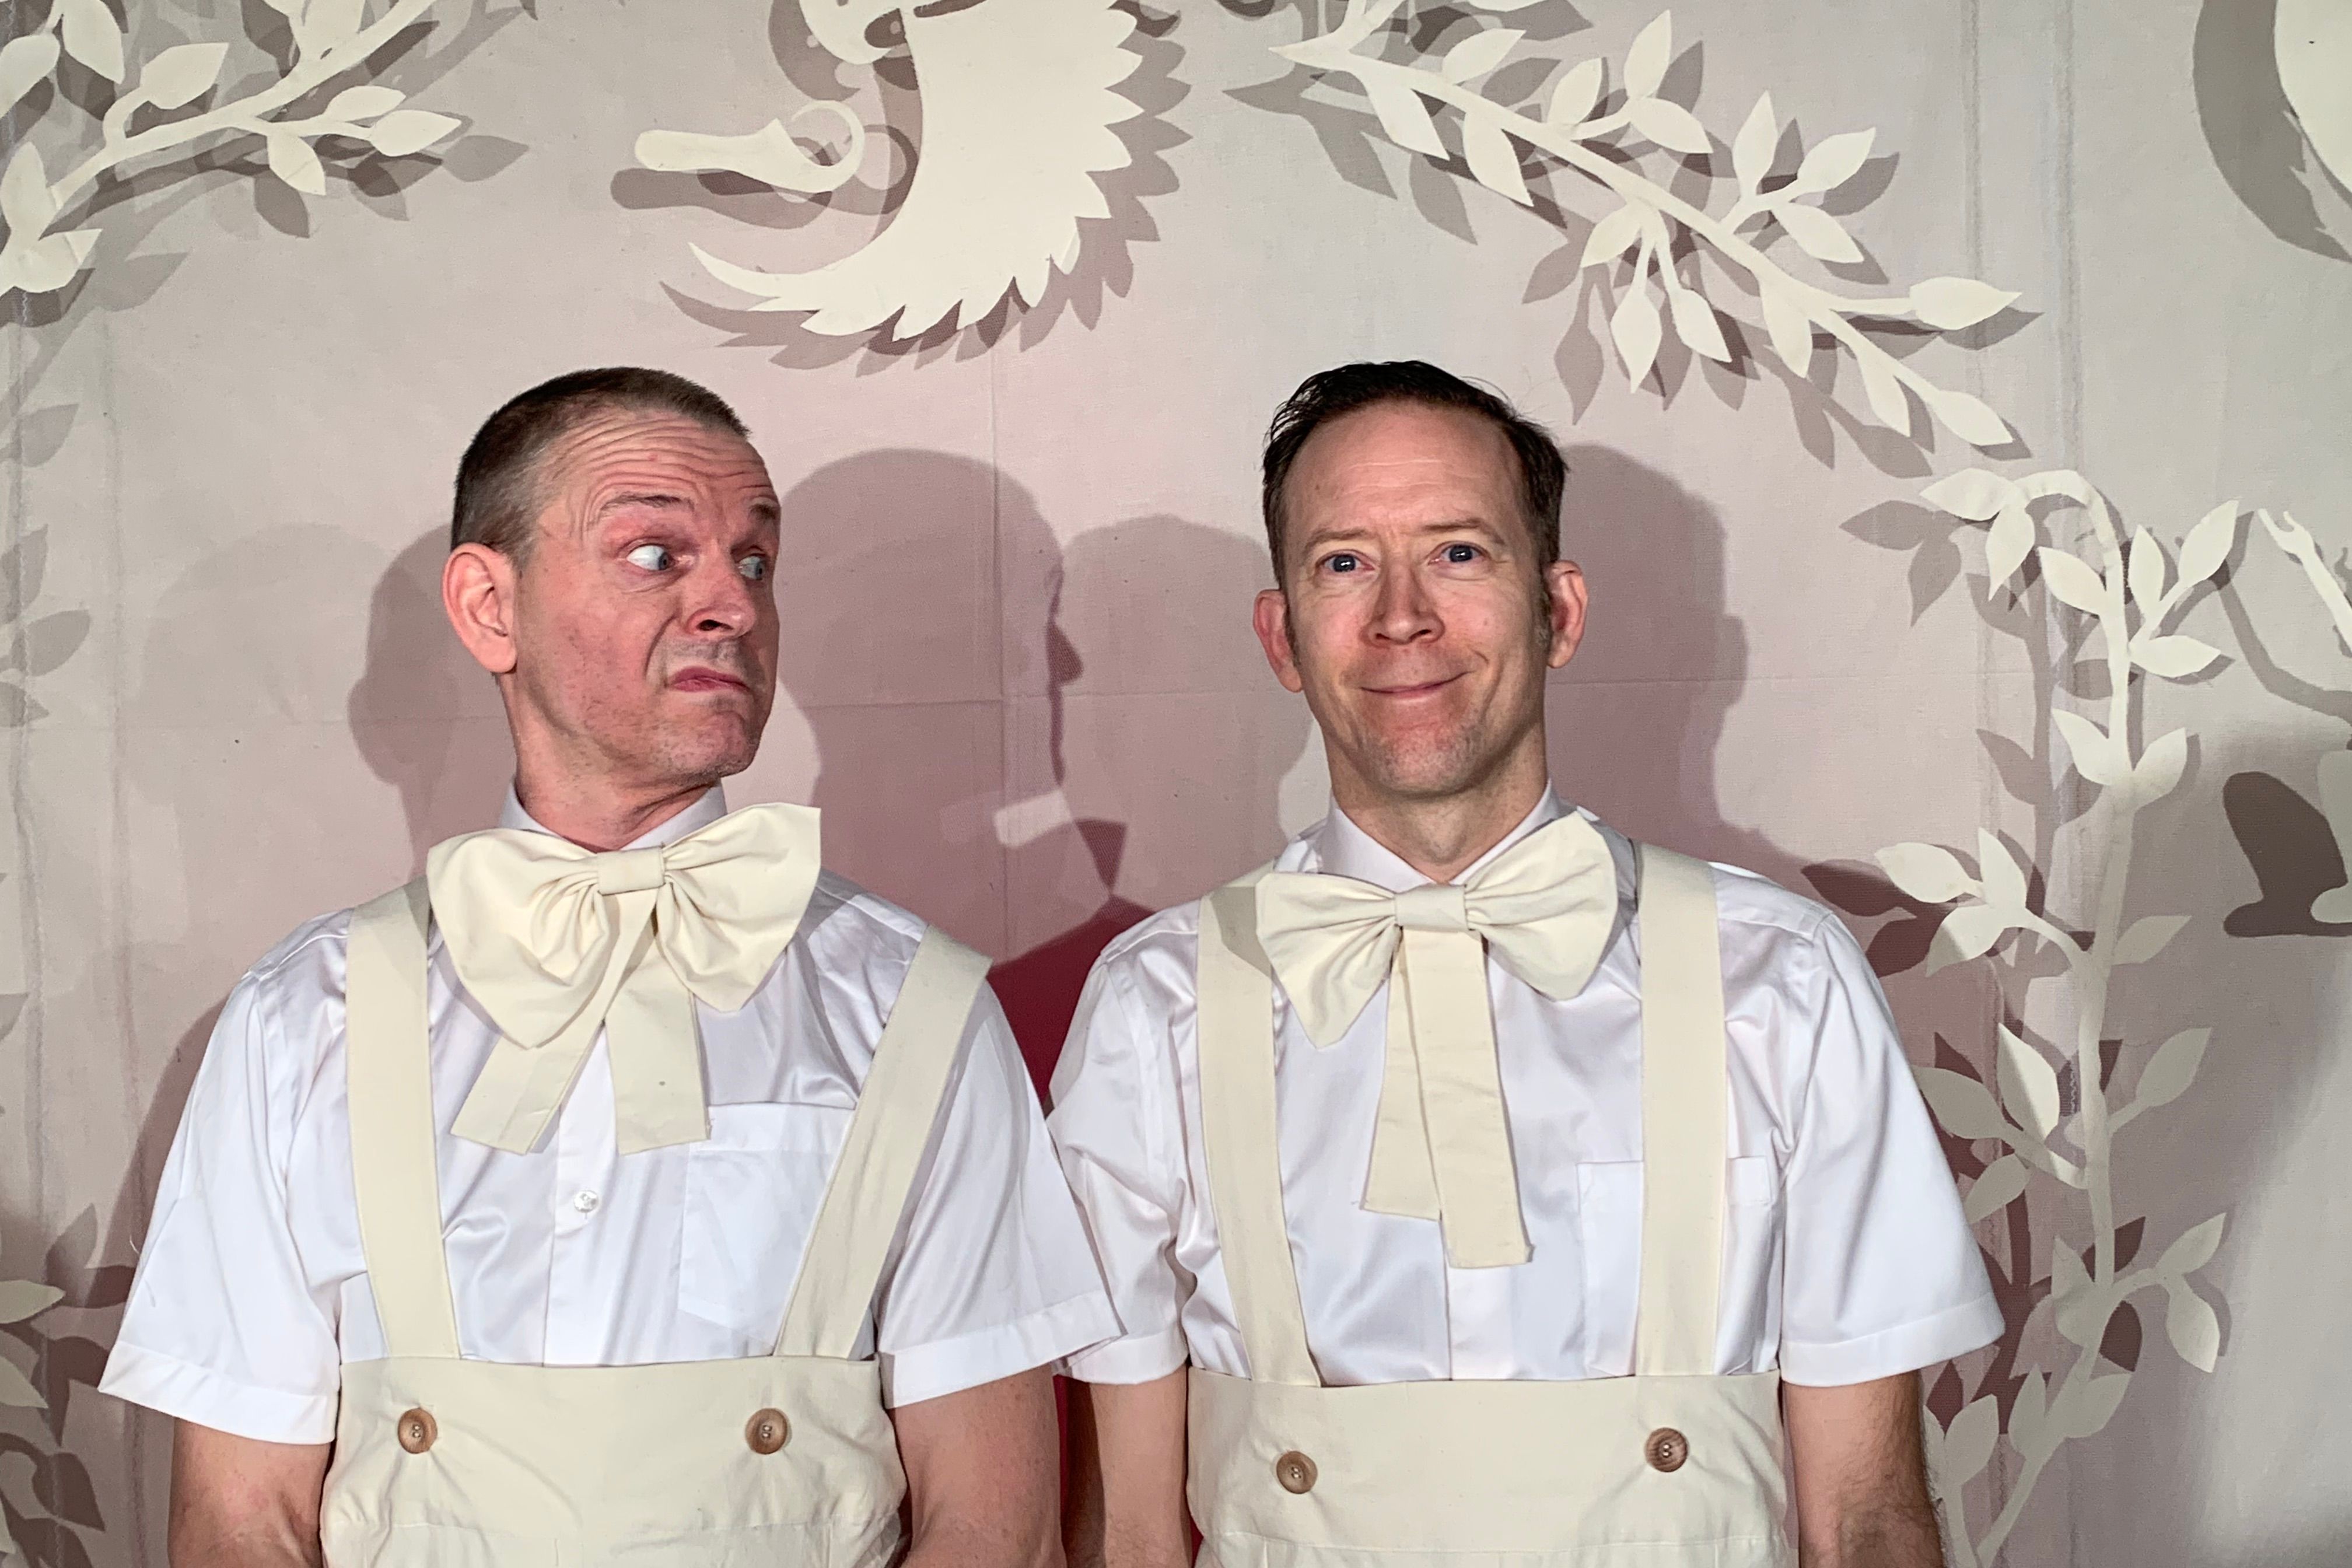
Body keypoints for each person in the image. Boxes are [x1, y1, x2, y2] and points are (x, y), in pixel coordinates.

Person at [99, 367, 1116, 1566]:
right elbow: (238, 1522)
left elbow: (992, 1526)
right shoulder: (298, 1019)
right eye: (654, 554)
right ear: (490, 608)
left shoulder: (921, 1008)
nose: (731, 605)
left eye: (754, 561)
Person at [1046, 360, 2003, 1567]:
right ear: (1282, 635)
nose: (1402, 617)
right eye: (1344, 563)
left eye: (1459, 553)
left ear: (1560, 610)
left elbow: (1866, 1515)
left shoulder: (1787, 979)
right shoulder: (1155, 1005)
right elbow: (1126, 1535)